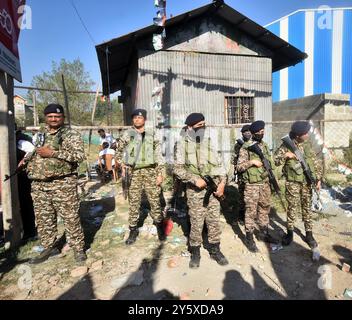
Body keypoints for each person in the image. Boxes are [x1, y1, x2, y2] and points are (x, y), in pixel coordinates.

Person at [26, 104, 86, 264]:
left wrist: (53, 153)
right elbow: (36, 151)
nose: (53, 119)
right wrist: (26, 159)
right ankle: (49, 247)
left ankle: (78, 248)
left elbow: (79, 156)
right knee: (44, 218)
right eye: (50, 116)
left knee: (70, 217)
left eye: (57, 116)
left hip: (62, 183)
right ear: (45, 117)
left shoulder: (70, 134)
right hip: (39, 184)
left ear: (63, 118)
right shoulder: (41, 133)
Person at [174, 113, 229, 268]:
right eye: (199, 126)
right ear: (190, 127)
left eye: (204, 125)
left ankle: (215, 250)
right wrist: (194, 180)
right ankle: (196, 252)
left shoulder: (210, 143)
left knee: (214, 221)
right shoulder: (181, 145)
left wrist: (222, 184)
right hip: (195, 191)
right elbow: (177, 168)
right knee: (196, 222)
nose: (203, 128)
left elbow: (221, 165)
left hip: (214, 189)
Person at [115, 108, 166, 245]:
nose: (137, 120)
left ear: (145, 119)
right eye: (135, 118)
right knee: (134, 202)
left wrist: (160, 173)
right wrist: (122, 165)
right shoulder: (127, 135)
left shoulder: (152, 134)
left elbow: (158, 154)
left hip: (150, 171)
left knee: (155, 199)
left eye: (140, 117)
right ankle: (133, 229)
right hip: (133, 172)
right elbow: (118, 153)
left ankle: (159, 225)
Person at [274, 121, 323, 249]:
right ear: (297, 135)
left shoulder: (308, 145)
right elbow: (275, 161)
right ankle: (289, 233)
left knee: (307, 208)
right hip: (293, 183)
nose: (307, 135)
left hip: (307, 182)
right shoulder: (286, 145)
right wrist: (285, 155)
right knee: (292, 208)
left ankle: (309, 234)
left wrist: (318, 179)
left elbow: (315, 162)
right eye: (305, 133)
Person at [236, 120, 279, 253]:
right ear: (254, 133)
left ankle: (264, 233)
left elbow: (270, 165)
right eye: (260, 132)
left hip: (265, 183)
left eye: (263, 131)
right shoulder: (246, 147)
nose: (262, 134)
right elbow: (239, 167)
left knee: (264, 209)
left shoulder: (265, 146)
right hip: (252, 185)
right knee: (251, 211)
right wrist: (251, 162)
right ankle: (249, 238)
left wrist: (273, 180)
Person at [15, 127, 37, 242]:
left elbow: (32, 149)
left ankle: (30, 232)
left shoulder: (19, 139)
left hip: (21, 177)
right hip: (14, 176)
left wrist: (23, 161)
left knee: (24, 203)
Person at [231, 124, 252, 224]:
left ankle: (250, 216)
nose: (248, 133)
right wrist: (236, 171)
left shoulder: (254, 143)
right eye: (245, 131)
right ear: (242, 133)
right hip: (242, 174)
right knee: (241, 196)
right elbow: (234, 159)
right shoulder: (238, 145)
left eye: (249, 131)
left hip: (253, 174)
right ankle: (241, 216)